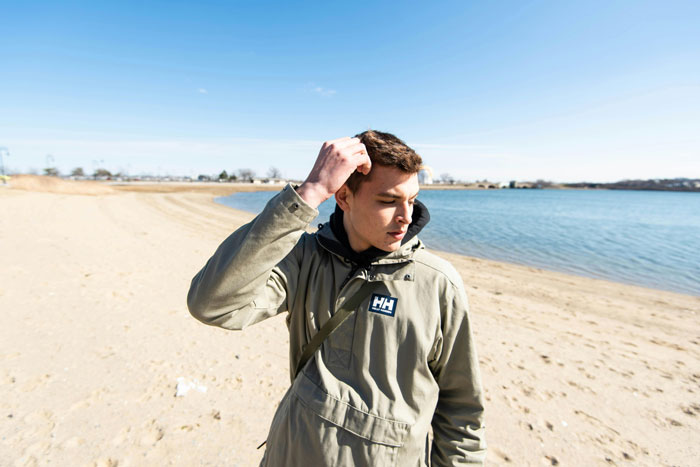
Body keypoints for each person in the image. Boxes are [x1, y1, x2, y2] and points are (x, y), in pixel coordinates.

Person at [187, 130, 486, 466]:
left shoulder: (437, 282)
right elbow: (211, 305)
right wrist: (310, 192)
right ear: (343, 198)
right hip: (292, 454)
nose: (407, 215)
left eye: (412, 199)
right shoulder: (304, 259)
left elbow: (462, 412)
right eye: (389, 201)